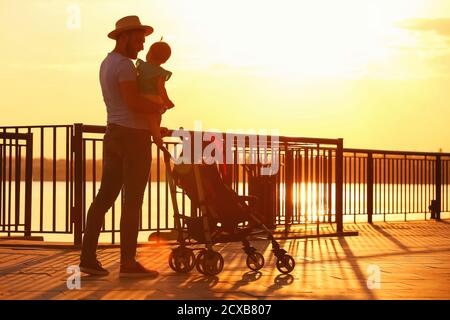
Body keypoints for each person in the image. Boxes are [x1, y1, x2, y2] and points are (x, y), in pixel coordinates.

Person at [79, 15, 165, 278]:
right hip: (133, 137)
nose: (141, 46)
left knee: (105, 197)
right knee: (133, 201)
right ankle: (128, 263)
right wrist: (159, 106)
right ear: (124, 37)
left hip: (113, 133)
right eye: (139, 40)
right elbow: (133, 103)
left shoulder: (106, 63)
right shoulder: (126, 66)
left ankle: (87, 257)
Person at [136, 40, 174, 147]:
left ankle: (155, 132)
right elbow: (161, 88)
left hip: (141, 96)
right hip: (153, 97)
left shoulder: (141, 66)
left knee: (150, 118)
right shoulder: (160, 72)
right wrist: (167, 101)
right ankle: (157, 137)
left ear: (150, 53)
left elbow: (135, 78)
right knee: (155, 117)